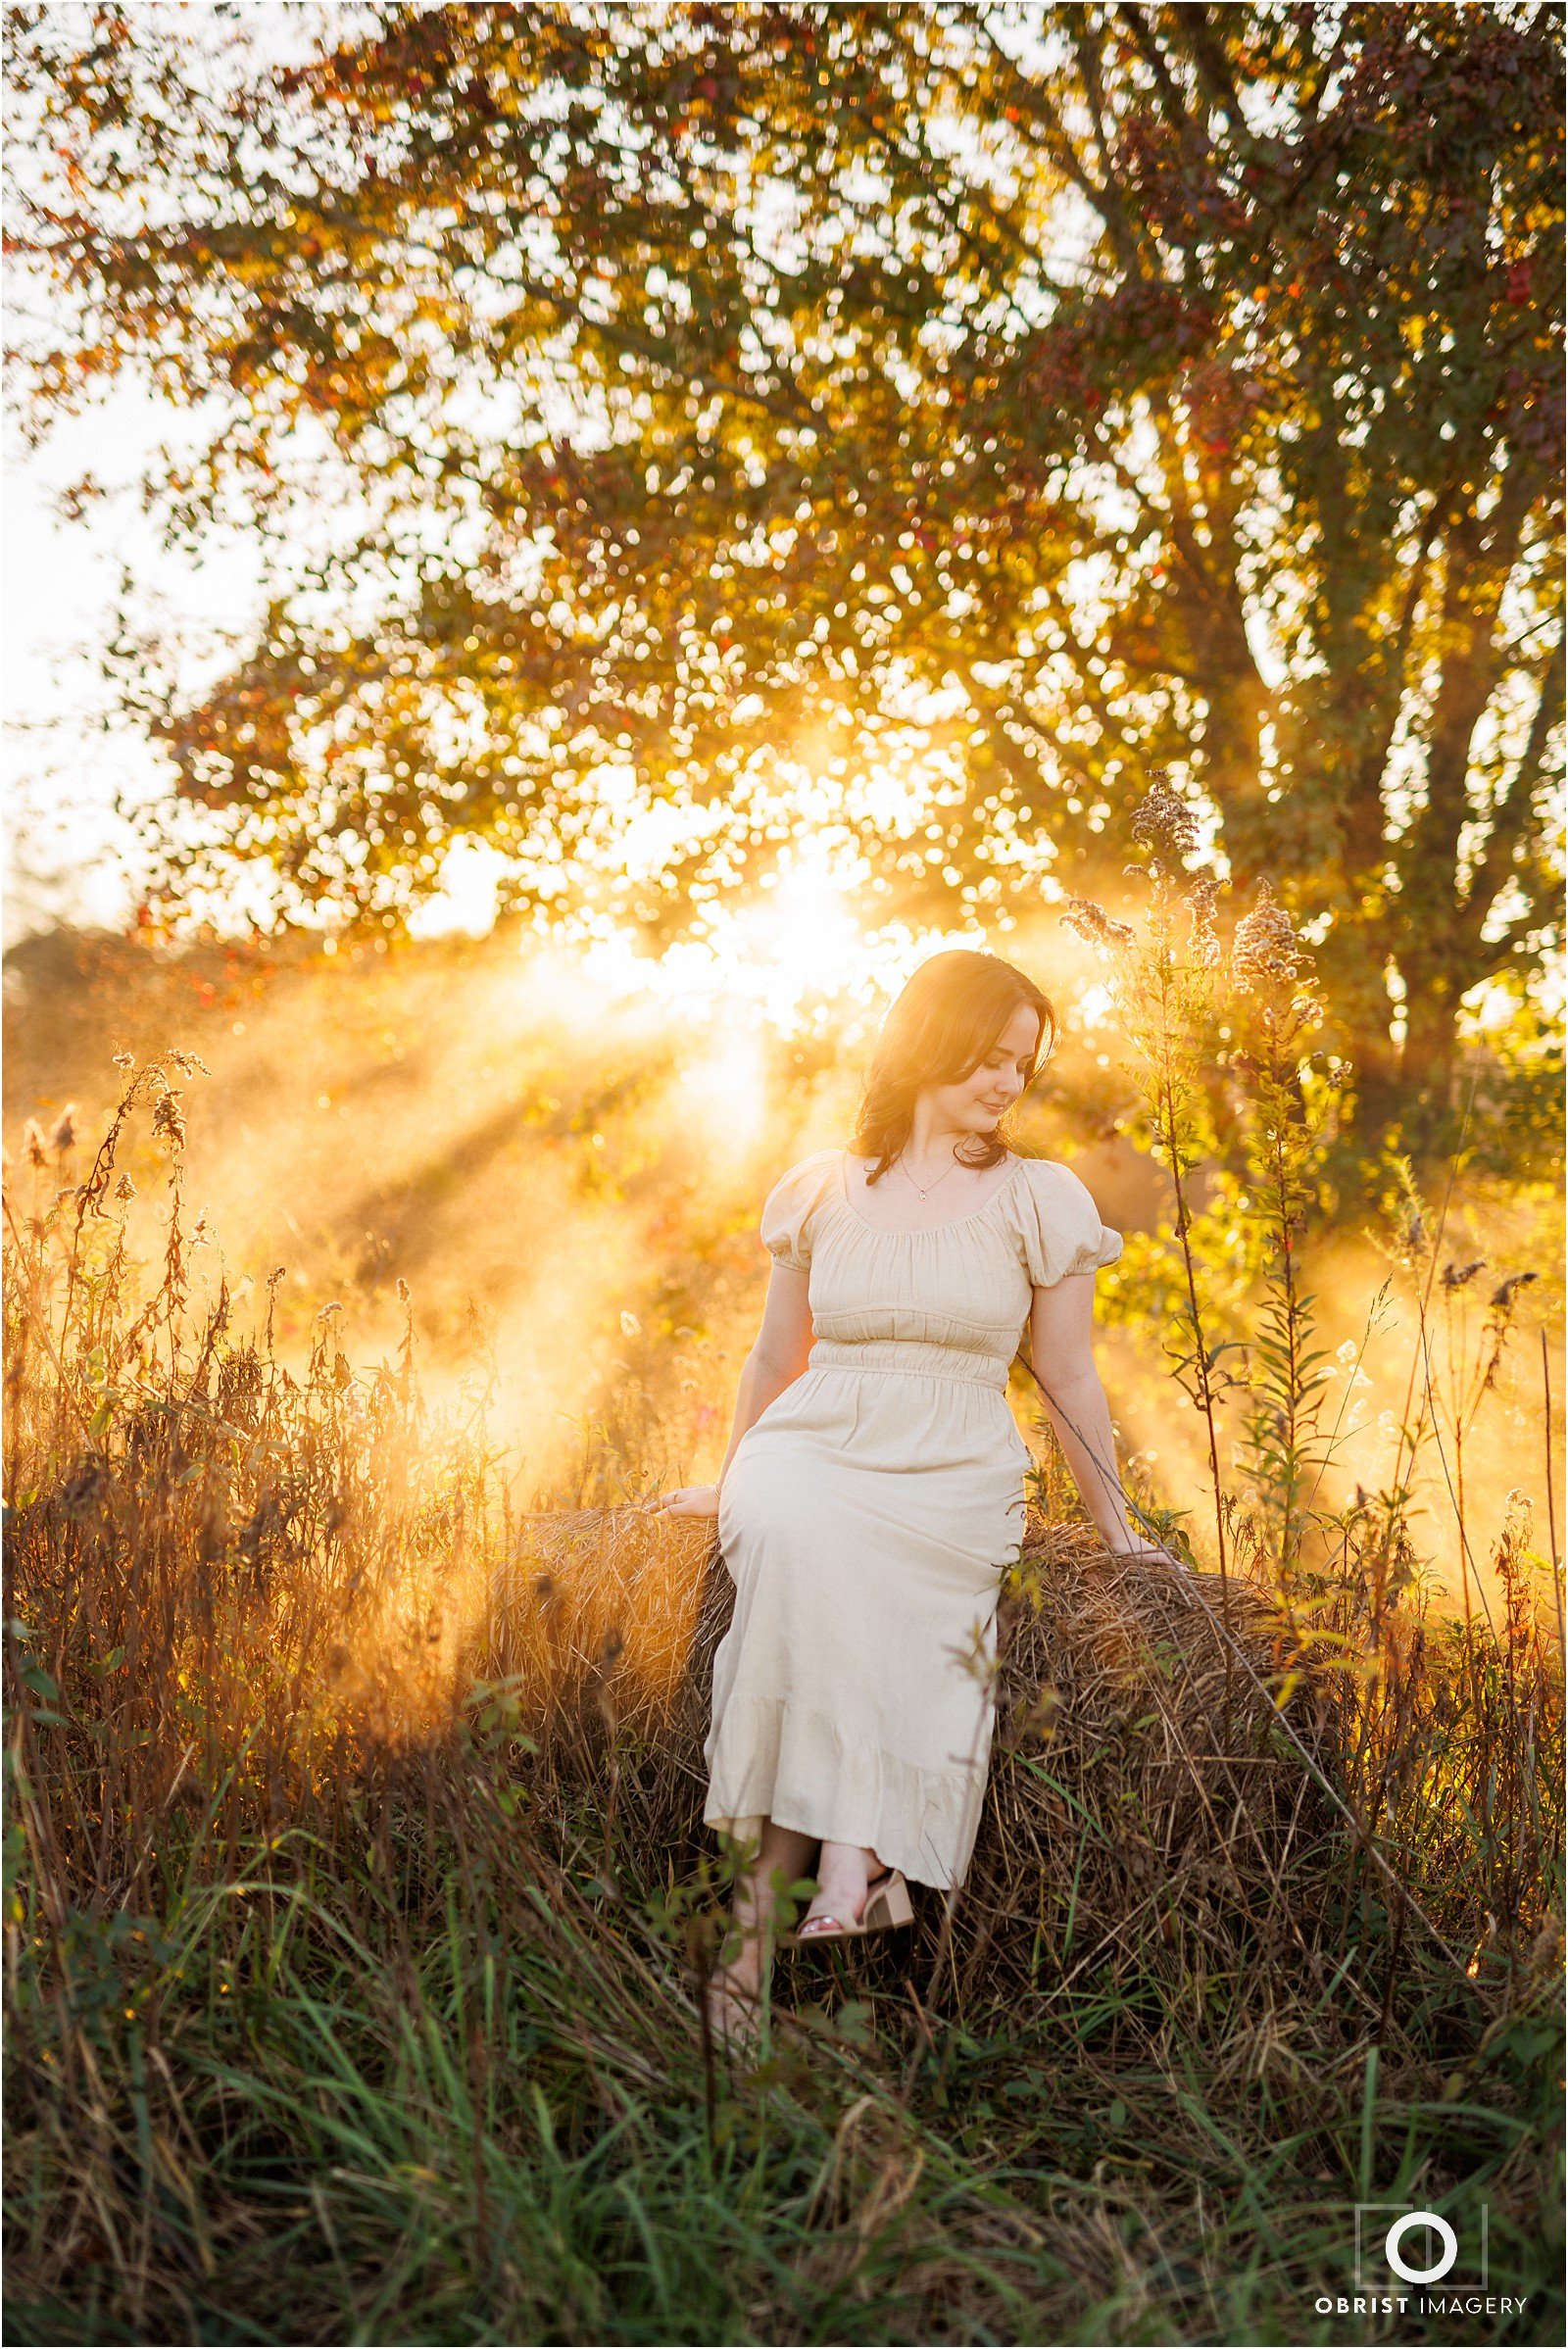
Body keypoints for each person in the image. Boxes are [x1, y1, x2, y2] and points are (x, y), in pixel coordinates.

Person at [651, 949, 1179, 2045]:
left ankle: (762, 1941)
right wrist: (733, 1476)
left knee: (854, 1578)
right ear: (927, 1046)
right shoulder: (819, 1188)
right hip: (816, 1439)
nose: (1004, 1085)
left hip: (952, 1457)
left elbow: (1068, 1375)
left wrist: (1118, 1532)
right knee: (797, 1539)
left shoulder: (1041, 1198)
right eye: (986, 1058)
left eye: (1021, 1068)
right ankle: (844, 1868)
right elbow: (771, 1359)